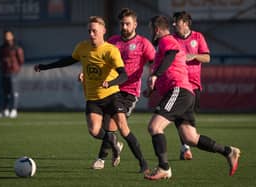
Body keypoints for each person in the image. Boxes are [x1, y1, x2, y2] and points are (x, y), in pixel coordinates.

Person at [34, 16, 149, 173]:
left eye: (94, 31)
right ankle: (114, 143)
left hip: (112, 96)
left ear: (103, 30)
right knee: (94, 131)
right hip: (93, 98)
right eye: (89, 31)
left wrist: (111, 83)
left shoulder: (110, 50)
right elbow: (67, 60)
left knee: (123, 128)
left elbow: (123, 75)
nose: (91, 34)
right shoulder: (83, 47)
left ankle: (143, 164)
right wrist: (45, 67)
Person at [144, 15, 240, 180]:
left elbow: (171, 55)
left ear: (156, 29)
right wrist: (153, 88)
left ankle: (164, 167)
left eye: (150, 28)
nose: (149, 32)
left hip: (179, 91)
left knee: (155, 127)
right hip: (184, 92)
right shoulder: (164, 44)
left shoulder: (167, 41)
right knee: (190, 137)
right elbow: (170, 67)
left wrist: (155, 75)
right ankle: (228, 151)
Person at [90, 8, 155, 171]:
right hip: (111, 89)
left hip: (129, 91)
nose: (124, 27)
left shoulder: (143, 43)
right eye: (122, 24)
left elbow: (155, 63)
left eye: (128, 24)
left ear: (135, 24)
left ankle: (101, 159)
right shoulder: (113, 41)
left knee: (113, 125)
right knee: (103, 128)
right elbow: (100, 61)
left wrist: (153, 78)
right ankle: (115, 147)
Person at [172, 11, 211, 160]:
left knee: (188, 115)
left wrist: (194, 56)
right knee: (179, 114)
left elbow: (207, 57)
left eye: (177, 22)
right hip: (178, 82)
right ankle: (186, 147)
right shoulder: (172, 39)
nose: (174, 24)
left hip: (194, 84)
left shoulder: (198, 37)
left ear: (186, 23)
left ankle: (189, 142)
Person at [0, 30, 24, 118]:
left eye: (9, 35)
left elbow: (21, 61)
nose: (7, 37)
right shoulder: (2, 48)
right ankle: (5, 110)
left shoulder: (16, 48)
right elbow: (0, 59)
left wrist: (15, 68)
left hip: (13, 72)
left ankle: (14, 110)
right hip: (5, 72)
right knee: (5, 92)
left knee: (13, 92)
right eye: (5, 35)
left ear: (12, 36)